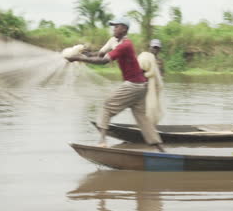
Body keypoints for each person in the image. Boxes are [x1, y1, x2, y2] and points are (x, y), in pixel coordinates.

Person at [66, 17, 165, 152]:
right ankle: (160, 148)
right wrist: (87, 54)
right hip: (141, 86)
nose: (114, 29)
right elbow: (101, 55)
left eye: (116, 26)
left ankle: (102, 141)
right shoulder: (120, 44)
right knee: (143, 119)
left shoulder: (125, 45)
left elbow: (103, 61)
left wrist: (77, 58)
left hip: (133, 85)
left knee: (107, 107)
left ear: (124, 29)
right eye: (114, 27)